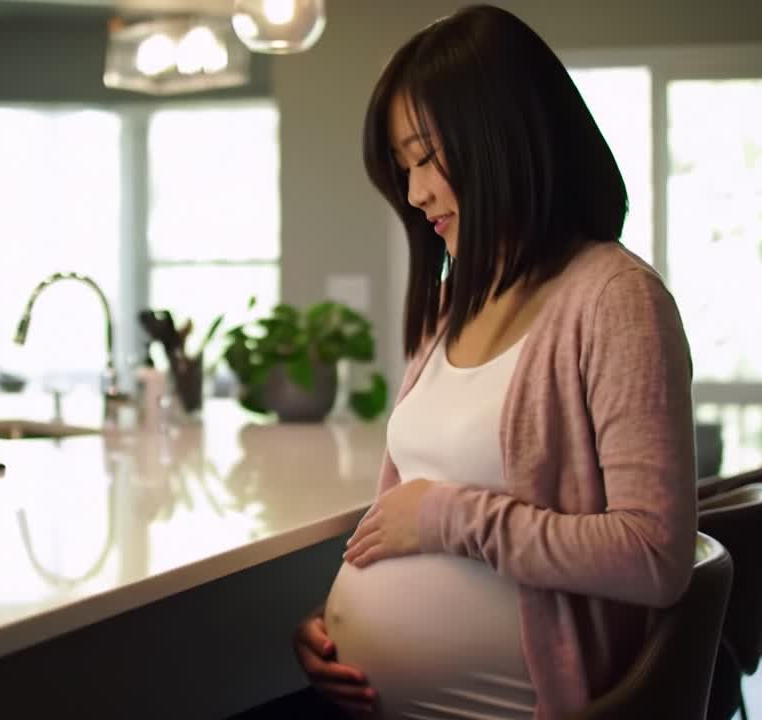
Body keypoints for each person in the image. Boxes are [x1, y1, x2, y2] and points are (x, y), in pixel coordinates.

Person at [292, 5, 698, 719]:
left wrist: (456, 519)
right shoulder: (454, 302)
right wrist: (336, 627)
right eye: (403, 167)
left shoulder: (615, 299)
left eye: (426, 156)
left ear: (501, 136)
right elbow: (399, 513)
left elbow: (654, 555)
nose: (415, 194)